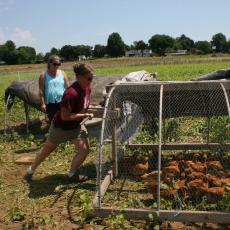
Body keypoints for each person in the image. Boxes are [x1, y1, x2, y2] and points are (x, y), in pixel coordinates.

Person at [24, 63, 94, 183]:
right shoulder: (71, 93)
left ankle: (71, 175)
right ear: (79, 77)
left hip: (76, 127)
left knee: (84, 150)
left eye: (92, 78)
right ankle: (30, 171)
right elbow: (65, 117)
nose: (91, 81)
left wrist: (92, 109)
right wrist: (85, 115)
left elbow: (84, 105)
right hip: (61, 128)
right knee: (46, 151)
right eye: (89, 78)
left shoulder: (87, 88)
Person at [39, 55, 70, 122]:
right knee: (53, 120)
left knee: (64, 119)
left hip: (62, 101)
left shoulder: (63, 73)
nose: (57, 66)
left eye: (59, 64)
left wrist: (69, 99)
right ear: (50, 63)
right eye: (55, 64)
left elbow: (68, 87)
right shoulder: (43, 75)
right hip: (50, 103)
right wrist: (43, 103)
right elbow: (41, 90)